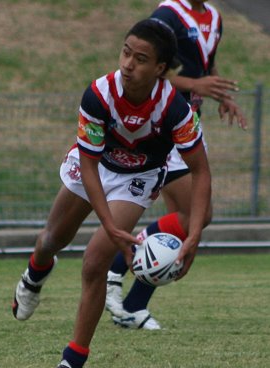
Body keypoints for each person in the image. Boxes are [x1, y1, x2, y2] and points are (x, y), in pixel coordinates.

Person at [12, 18, 211, 368]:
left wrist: (195, 234)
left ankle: (69, 367)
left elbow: (201, 171)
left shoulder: (175, 110)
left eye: (140, 58)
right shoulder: (99, 94)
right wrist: (107, 222)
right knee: (52, 239)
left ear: (160, 69)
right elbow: (88, 164)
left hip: (137, 178)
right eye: (125, 52)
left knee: (94, 263)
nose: (127, 65)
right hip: (94, 165)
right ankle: (35, 272)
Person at [105, 0, 247, 330]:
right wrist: (196, 86)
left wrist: (220, 94)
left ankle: (135, 306)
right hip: (161, 124)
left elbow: (203, 67)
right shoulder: (167, 14)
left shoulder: (214, 16)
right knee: (198, 215)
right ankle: (114, 272)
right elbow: (154, 72)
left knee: (180, 225)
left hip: (189, 125)